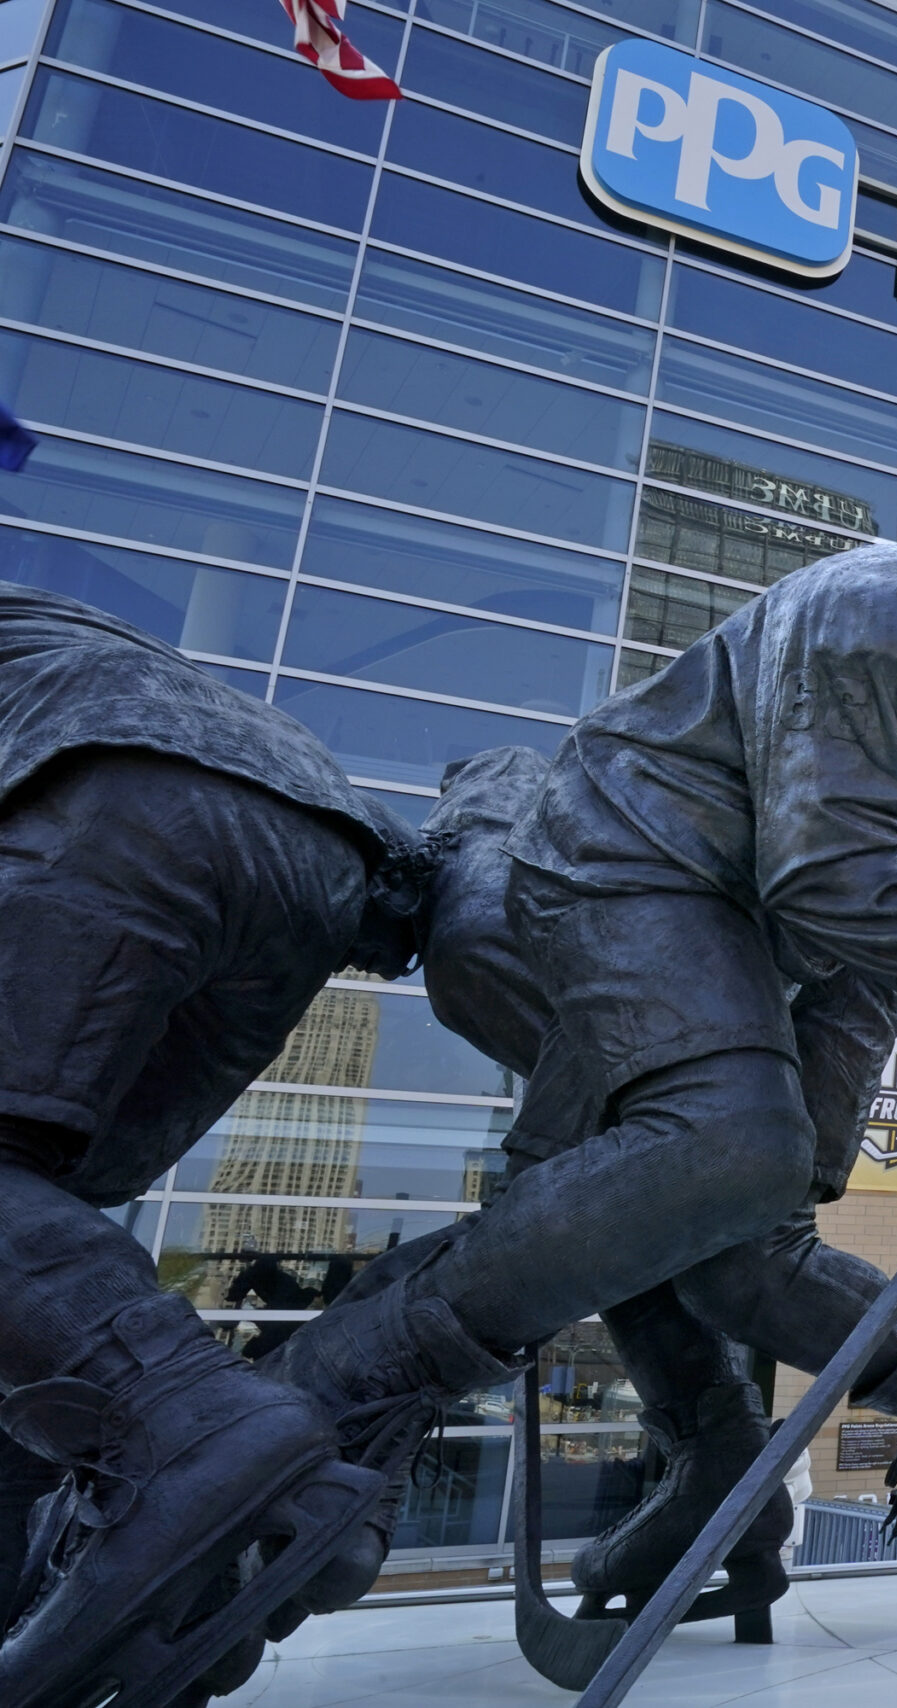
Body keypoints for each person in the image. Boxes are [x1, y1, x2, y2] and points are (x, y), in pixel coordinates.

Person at [272, 384, 897, 1618]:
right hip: (663, 862)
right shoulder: (875, 613)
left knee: (745, 1246)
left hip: (846, 930)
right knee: (714, 1157)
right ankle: (353, 1380)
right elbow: (820, 858)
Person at [0, 582, 480, 1708]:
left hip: (123, 795)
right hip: (312, 857)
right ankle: (149, 1571)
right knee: (36, 1224)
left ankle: (205, 1425)